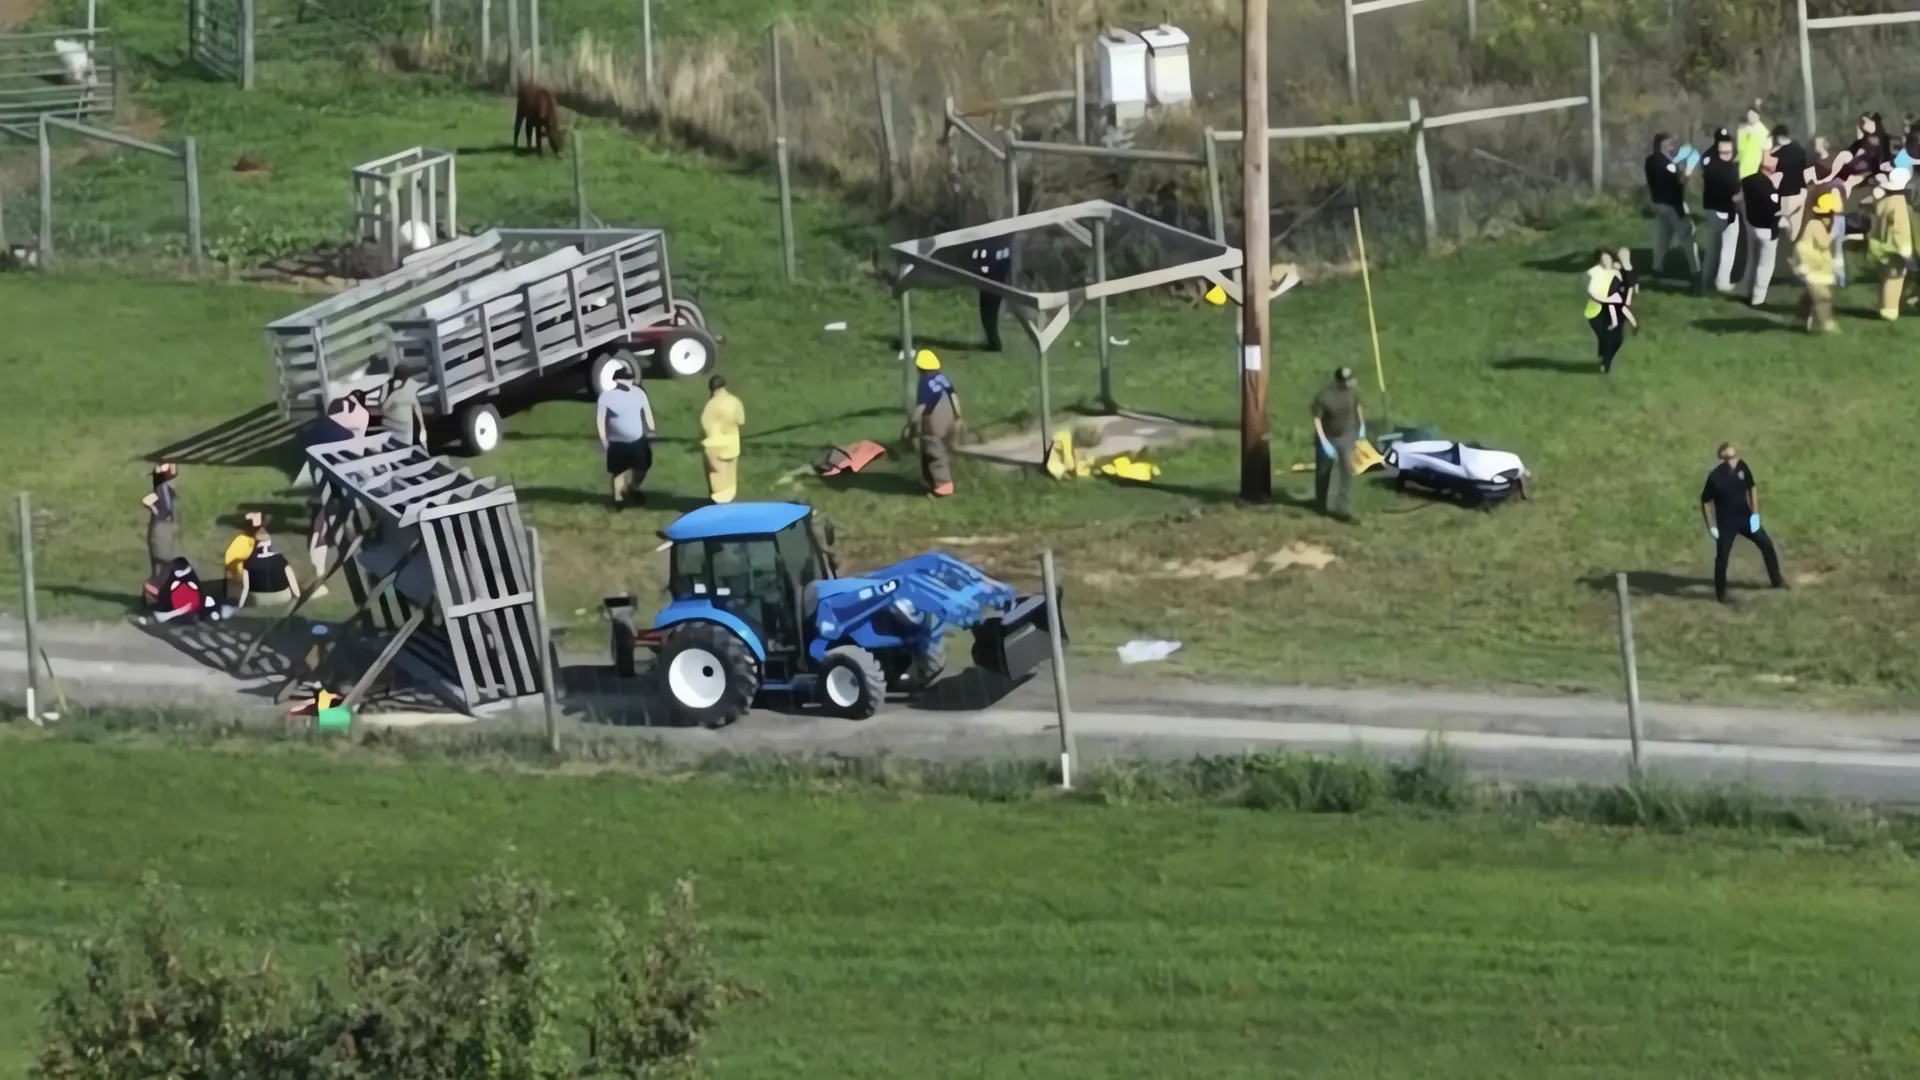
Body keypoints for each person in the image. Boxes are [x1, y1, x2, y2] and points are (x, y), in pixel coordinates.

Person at [1699, 442, 1786, 606]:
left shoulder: (1742, 467)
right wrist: (1711, 526)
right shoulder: (1715, 477)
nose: (1733, 460)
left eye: (1734, 456)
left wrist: (1755, 515)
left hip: (1745, 518)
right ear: (1722, 459)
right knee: (1722, 557)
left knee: (1766, 544)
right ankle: (1721, 594)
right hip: (1726, 523)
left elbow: (1751, 488)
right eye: (1728, 458)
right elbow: (1705, 501)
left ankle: (1777, 581)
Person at [595, 364, 655, 509]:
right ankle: (618, 499)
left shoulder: (639, 393)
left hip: (638, 440)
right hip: (617, 442)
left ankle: (632, 488)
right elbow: (600, 421)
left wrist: (651, 428)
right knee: (619, 472)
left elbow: (647, 412)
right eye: (625, 379)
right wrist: (604, 440)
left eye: (630, 378)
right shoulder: (606, 397)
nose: (628, 382)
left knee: (642, 467)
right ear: (617, 380)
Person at [1310, 366, 1364, 522]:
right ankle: (1321, 504)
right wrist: (1324, 442)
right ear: (1339, 382)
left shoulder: (1353, 391)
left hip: (1347, 435)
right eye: (1348, 381)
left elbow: (1357, 406)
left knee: (1347, 469)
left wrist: (1362, 425)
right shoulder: (1324, 397)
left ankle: (1343, 506)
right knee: (1323, 471)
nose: (1351, 383)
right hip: (1328, 437)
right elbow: (1316, 419)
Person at [1645, 133, 1701, 280]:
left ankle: (1656, 268)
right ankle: (1696, 272)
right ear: (1662, 145)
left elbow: (1668, 173)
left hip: (1659, 205)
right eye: (1669, 143)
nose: (1673, 145)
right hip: (1673, 206)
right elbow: (1679, 182)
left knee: (1662, 239)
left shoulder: (1650, 161)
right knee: (1689, 238)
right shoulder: (1666, 163)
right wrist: (1689, 169)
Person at [910, 349, 963, 498]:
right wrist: (958, 416)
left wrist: (912, 424)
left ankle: (944, 485)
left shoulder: (925, 383)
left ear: (920, 368)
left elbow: (922, 407)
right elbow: (953, 396)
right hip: (950, 420)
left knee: (934, 453)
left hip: (932, 425)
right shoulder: (943, 379)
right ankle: (931, 482)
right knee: (940, 451)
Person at [224, 512, 301, 609]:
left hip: (260, 598)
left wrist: (241, 605)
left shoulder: (249, 563)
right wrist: (297, 600)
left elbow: (246, 588)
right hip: (283, 596)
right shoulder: (280, 559)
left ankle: (256, 520)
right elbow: (293, 585)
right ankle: (256, 519)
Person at [1867, 166, 1914, 320]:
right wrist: (1904, 251)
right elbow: (1899, 230)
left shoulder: (1883, 202)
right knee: (1894, 280)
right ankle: (1889, 310)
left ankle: (1882, 305)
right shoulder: (1899, 204)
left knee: (1884, 278)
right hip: (1894, 248)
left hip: (1880, 245)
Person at [1699, 135, 1743, 293]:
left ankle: (1705, 280)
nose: (1728, 155)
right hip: (1727, 212)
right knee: (1728, 249)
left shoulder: (1709, 165)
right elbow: (1735, 196)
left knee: (1712, 247)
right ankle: (1722, 282)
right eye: (1725, 152)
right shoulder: (1729, 171)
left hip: (1711, 209)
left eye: (1729, 152)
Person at [1795, 188, 1842, 333]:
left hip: (1811, 265)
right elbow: (1824, 243)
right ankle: (1827, 325)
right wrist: (1833, 234)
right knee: (1823, 297)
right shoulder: (1817, 225)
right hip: (1814, 266)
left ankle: (1803, 317)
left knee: (1812, 294)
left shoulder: (1813, 222)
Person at [1739, 153, 1784, 306]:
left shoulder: (1748, 180)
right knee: (1765, 264)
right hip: (1766, 230)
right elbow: (1774, 209)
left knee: (1751, 260)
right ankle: (1758, 298)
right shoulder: (1770, 187)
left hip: (1751, 226)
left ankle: (1745, 291)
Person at [699, 374, 746, 505]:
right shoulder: (735, 401)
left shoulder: (710, 405)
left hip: (715, 447)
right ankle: (729, 502)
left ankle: (718, 505)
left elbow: (705, 426)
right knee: (730, 477)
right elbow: (741, 421)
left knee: (716, 478)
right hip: (732, 445)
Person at [1582, 249, 1630, 374]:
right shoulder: (1595, 274)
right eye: (1603, 260)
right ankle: (1605, 363)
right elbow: (1593, 293)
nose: (1606, 262)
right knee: (1606, 337)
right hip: (1598, 312)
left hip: (1617, 311)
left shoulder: (1617, 272)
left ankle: (1604, 359)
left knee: (1618, 340)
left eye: (1608, 259)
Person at [969, 235, 1014, 351]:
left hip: (995, 283)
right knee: (986, 313)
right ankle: (992, 342)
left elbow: (1003, 264)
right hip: (988, 282)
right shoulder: (992, 244)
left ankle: (995, 344)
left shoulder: (1001, 245)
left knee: (990, 313)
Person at [1771, 124, 1809, 243]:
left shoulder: (1776, 155)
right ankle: (1797, 256)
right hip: (1801, 193)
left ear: (1777, 137)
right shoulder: (1801, 151)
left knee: (1783, 224)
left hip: (1785, 195)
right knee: (1796, 231)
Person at [142, 461, 179, 579]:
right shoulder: (160, 490)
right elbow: (146, 500)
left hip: (166, 526)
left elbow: (173, 471)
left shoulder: (167, 490)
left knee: (166, 560)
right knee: (161, 561)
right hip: (160, 526)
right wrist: (155, 510)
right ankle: (156, 590)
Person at [379, 372, 425, 447]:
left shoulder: (408, 385)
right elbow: (383, 406)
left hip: (400, 424)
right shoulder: (389, 387)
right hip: (394, 422)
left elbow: (416, 405)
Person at [1736, 100, 1769, 179]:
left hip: (1755, 173)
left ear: (1759, 115)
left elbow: (1766, 156)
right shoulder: (1741, 129)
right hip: (1742, 172)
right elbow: (1740, 151)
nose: (1751, 116)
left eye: (1754, 113)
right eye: (1749, 113)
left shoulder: (1764, 132)